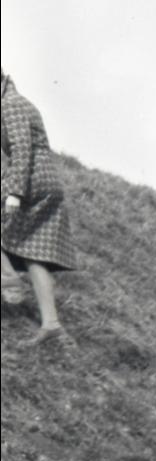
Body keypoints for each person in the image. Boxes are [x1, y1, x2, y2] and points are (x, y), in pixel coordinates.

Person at [1, 72, 71, 340]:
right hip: (45, 180)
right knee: (33, 251)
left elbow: (21, 150)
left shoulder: (11, 104)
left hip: (32, 182)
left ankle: (7, 277)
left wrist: (14, 193)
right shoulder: (14, 101)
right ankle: (51, 324)